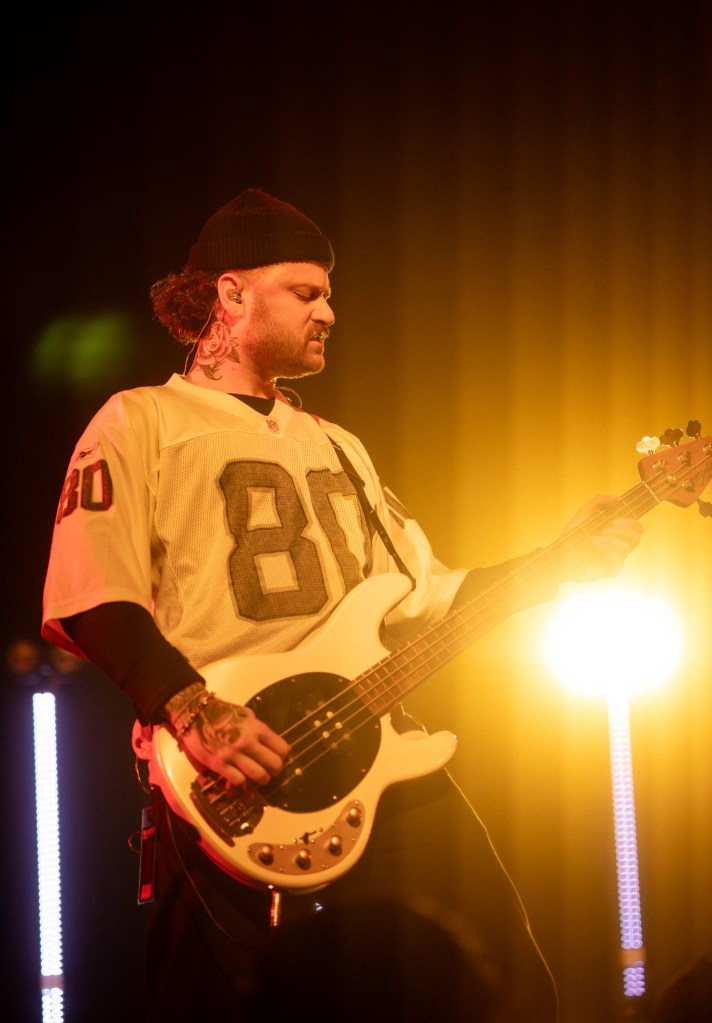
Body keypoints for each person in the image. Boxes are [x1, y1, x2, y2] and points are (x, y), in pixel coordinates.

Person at [41, 188, 643, 1022]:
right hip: (230, 767)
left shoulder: (338, 444)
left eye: (329, 293)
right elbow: (88, 595)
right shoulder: (140, 422)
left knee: (505, 971)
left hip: (372, 748)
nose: (331, 310)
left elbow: (425, 596)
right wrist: (192, 709)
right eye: (308, 292)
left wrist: (560, 559)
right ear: (231, 292)